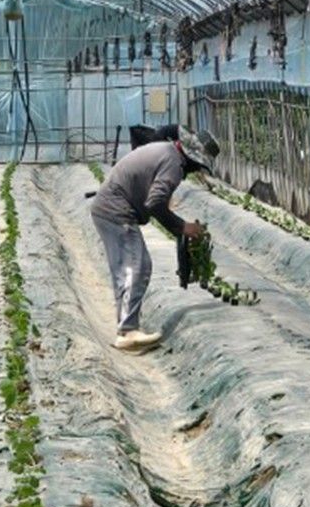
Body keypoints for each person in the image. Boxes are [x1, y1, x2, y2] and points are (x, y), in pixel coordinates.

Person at [90, 126, 221, 351]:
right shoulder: (174, 165)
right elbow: (155, 204)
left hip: (109, 207)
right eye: (198, 166)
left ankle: (127, 327)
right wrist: (182, 227)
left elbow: (155, 196)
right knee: (136, 266)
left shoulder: (166, 151)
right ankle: (127, 331)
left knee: (131, 267)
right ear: (191, 157)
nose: (195, 170)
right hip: (116, 211)